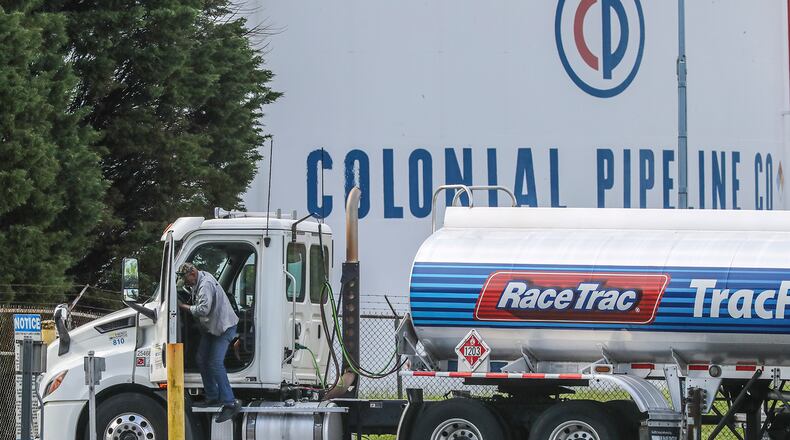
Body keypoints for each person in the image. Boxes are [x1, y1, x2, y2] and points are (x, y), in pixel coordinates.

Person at [177, 262, 241, 422]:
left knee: (214, 363)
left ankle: (230, 403)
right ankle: (213, 396)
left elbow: (203, 310)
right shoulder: (202, 276)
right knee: (201, 358)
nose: (187, 283)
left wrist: (184, 306)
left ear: (192, 273)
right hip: (212, 327)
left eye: (186, 280)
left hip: (224, 327)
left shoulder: (205, 285)